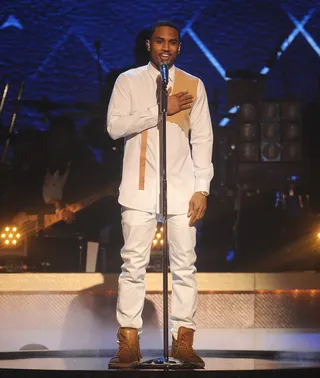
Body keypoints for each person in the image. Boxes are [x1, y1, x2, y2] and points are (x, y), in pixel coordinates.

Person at [106, 20, 213, 368]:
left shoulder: (193, 85)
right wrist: (160, 110)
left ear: (179, 47)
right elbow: (114, 127)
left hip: (182, 189)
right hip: (139, 188)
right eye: (159, 41)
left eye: (172, 42)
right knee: (133, 265)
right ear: (148, 45)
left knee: (185, 265)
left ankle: (183, 340)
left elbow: (203, 140)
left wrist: (202, 188)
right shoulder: (129, 81)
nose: (165, 47)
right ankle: (128, 342)